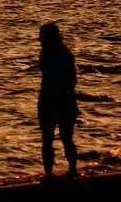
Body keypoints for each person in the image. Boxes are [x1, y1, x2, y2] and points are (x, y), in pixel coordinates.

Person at [38, 22, 80, 181]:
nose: (40, 41)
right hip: (50, 99)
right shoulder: (46, 53)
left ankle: (72, 170)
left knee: (65, 138)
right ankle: (49, 173)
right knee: (48, 139)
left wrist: (61, 93)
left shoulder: (64, 55)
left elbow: (71, 80)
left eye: (42, 38)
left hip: (61, 99)